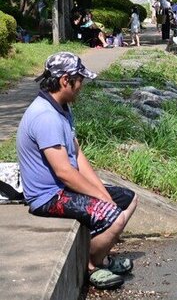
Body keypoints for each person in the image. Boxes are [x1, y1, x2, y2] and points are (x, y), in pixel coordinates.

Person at [16, 52, 138, 290]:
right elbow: (64, 172)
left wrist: (102, 191)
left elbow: (77, 155)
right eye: (79, 79)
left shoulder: (61, 108)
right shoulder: (45, 116)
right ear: (65, 80)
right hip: (48, 197)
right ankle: (91, 265)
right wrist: (102, 199)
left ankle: (99, 256)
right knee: (114, 217)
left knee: (129, 199)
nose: (81, 85)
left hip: (64, 189)